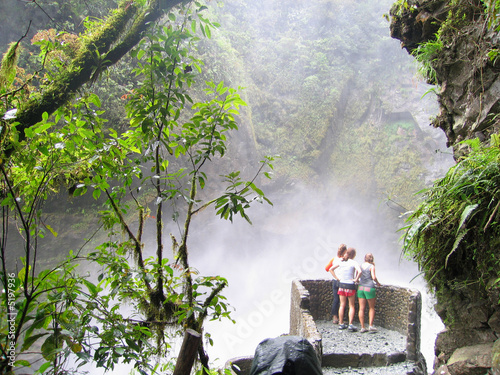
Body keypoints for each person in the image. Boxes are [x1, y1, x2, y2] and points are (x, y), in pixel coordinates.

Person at [329, 247, 361, 332]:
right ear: (354, 255)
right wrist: (356, 279)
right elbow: (360, 271)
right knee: (351, 306)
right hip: (350, 285)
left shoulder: (341, 262)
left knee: (342, 305)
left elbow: (330, 269)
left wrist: (337, 278)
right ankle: (350, 324)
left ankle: (341, 323)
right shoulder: (354, 262)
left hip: (341, 285)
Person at [355, 253, 381, 333]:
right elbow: (373, 277)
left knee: (361, 308)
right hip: (369, 288)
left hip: (361, 287)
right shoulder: (371, 266)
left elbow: (357, 275)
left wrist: (358, 280)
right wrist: (378, 283)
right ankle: (370, 325)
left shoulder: (360, 266)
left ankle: (362, 327)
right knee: (371, 308)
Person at [325, 244, 347, 324]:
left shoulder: (334, 259)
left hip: (335, 281)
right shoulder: (344, 260)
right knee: (343, 301)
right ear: (345, 251)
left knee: (336, 299)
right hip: (343, 282)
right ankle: (341, 318)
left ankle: (335, 317)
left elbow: (327, 268)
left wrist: (335, 275)